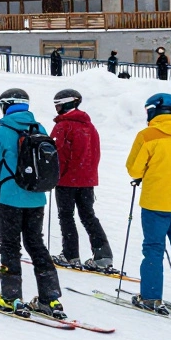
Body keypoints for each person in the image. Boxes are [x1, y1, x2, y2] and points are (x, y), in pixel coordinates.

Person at [0, 88, 65, 318]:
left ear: (6, 106)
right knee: (36, 244)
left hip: (9, 198)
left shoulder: (0, 131)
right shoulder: (41, 129)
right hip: (37, 197)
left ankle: (10, 296)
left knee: (10, 245)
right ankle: (51, 298)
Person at [126, 93, 171, 314]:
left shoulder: (147, 135)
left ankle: (151, 296)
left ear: (152, 110)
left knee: (154, 249)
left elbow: (134, 169)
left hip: (156, 203)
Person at [46, 89, 113, 272]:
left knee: (66, 216)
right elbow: (96, 152)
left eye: (58, 104)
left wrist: (53, 176)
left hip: (67, 180)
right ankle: (103, 255)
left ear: (68, 103)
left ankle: (70, 254)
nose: (57, 108)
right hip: (86, 180)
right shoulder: (89, 126)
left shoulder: (63, 125)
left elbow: (57, 154)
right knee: (88, 216)